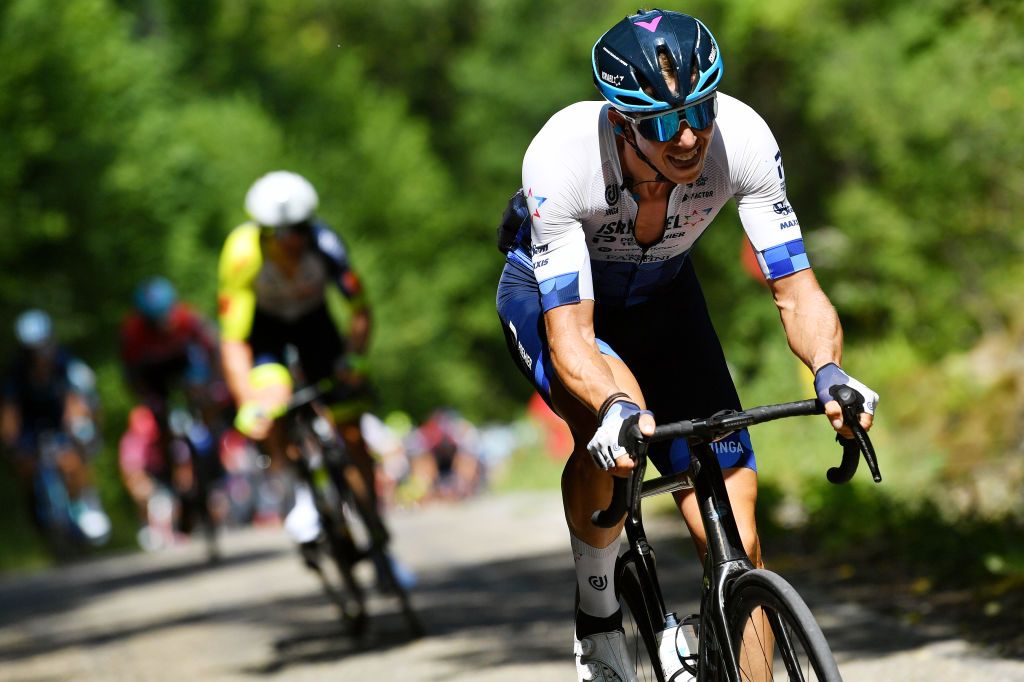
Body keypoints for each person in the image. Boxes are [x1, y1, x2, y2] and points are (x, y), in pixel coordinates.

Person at [494, 9, 879, 681]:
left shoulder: (744, 139)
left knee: (739, 531)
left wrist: (829, 369)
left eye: (699, 111)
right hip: (559, 302)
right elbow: (572, 337)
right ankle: (598, 611)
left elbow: (798, 291)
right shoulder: (562, 157)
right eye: (664, 123)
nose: (690, 136)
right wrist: (611, 406)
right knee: (619, 422)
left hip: (666, 298)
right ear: (621, 122)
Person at [217, 170, 377, 554]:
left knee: (351, 428)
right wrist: (246, 400)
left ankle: (374, 525)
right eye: (283, 233)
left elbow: (359, 309)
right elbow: (234, 339)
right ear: (265, 232)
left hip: (315, 328)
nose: (294, 240)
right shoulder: (241, 255)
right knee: (272, 399)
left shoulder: (326, 245)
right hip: (266, 332)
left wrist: (354, 357)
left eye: (301, 229)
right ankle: (296, 490)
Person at [119, 277, 228, 546]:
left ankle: (213, 461)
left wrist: (211, 383)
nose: (163, 324)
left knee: (206, 407)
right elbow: (132, 375)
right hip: (154, 376)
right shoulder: (133, 332)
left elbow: (212, 350)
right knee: (161, 424)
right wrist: (148, 400)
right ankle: (173, 477)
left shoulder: (187, 318)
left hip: (186, 367)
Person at [1, 309, 110, 546]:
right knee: (25, 466)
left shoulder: (66, 363)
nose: (40, 352)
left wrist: (79, 426)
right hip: (31, 427)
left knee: (70, 459)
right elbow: (10, 411)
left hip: (61, 421)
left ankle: (85, 502)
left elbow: (78, 399)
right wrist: (10, 441)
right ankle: (39, 516)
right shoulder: (16, 373)